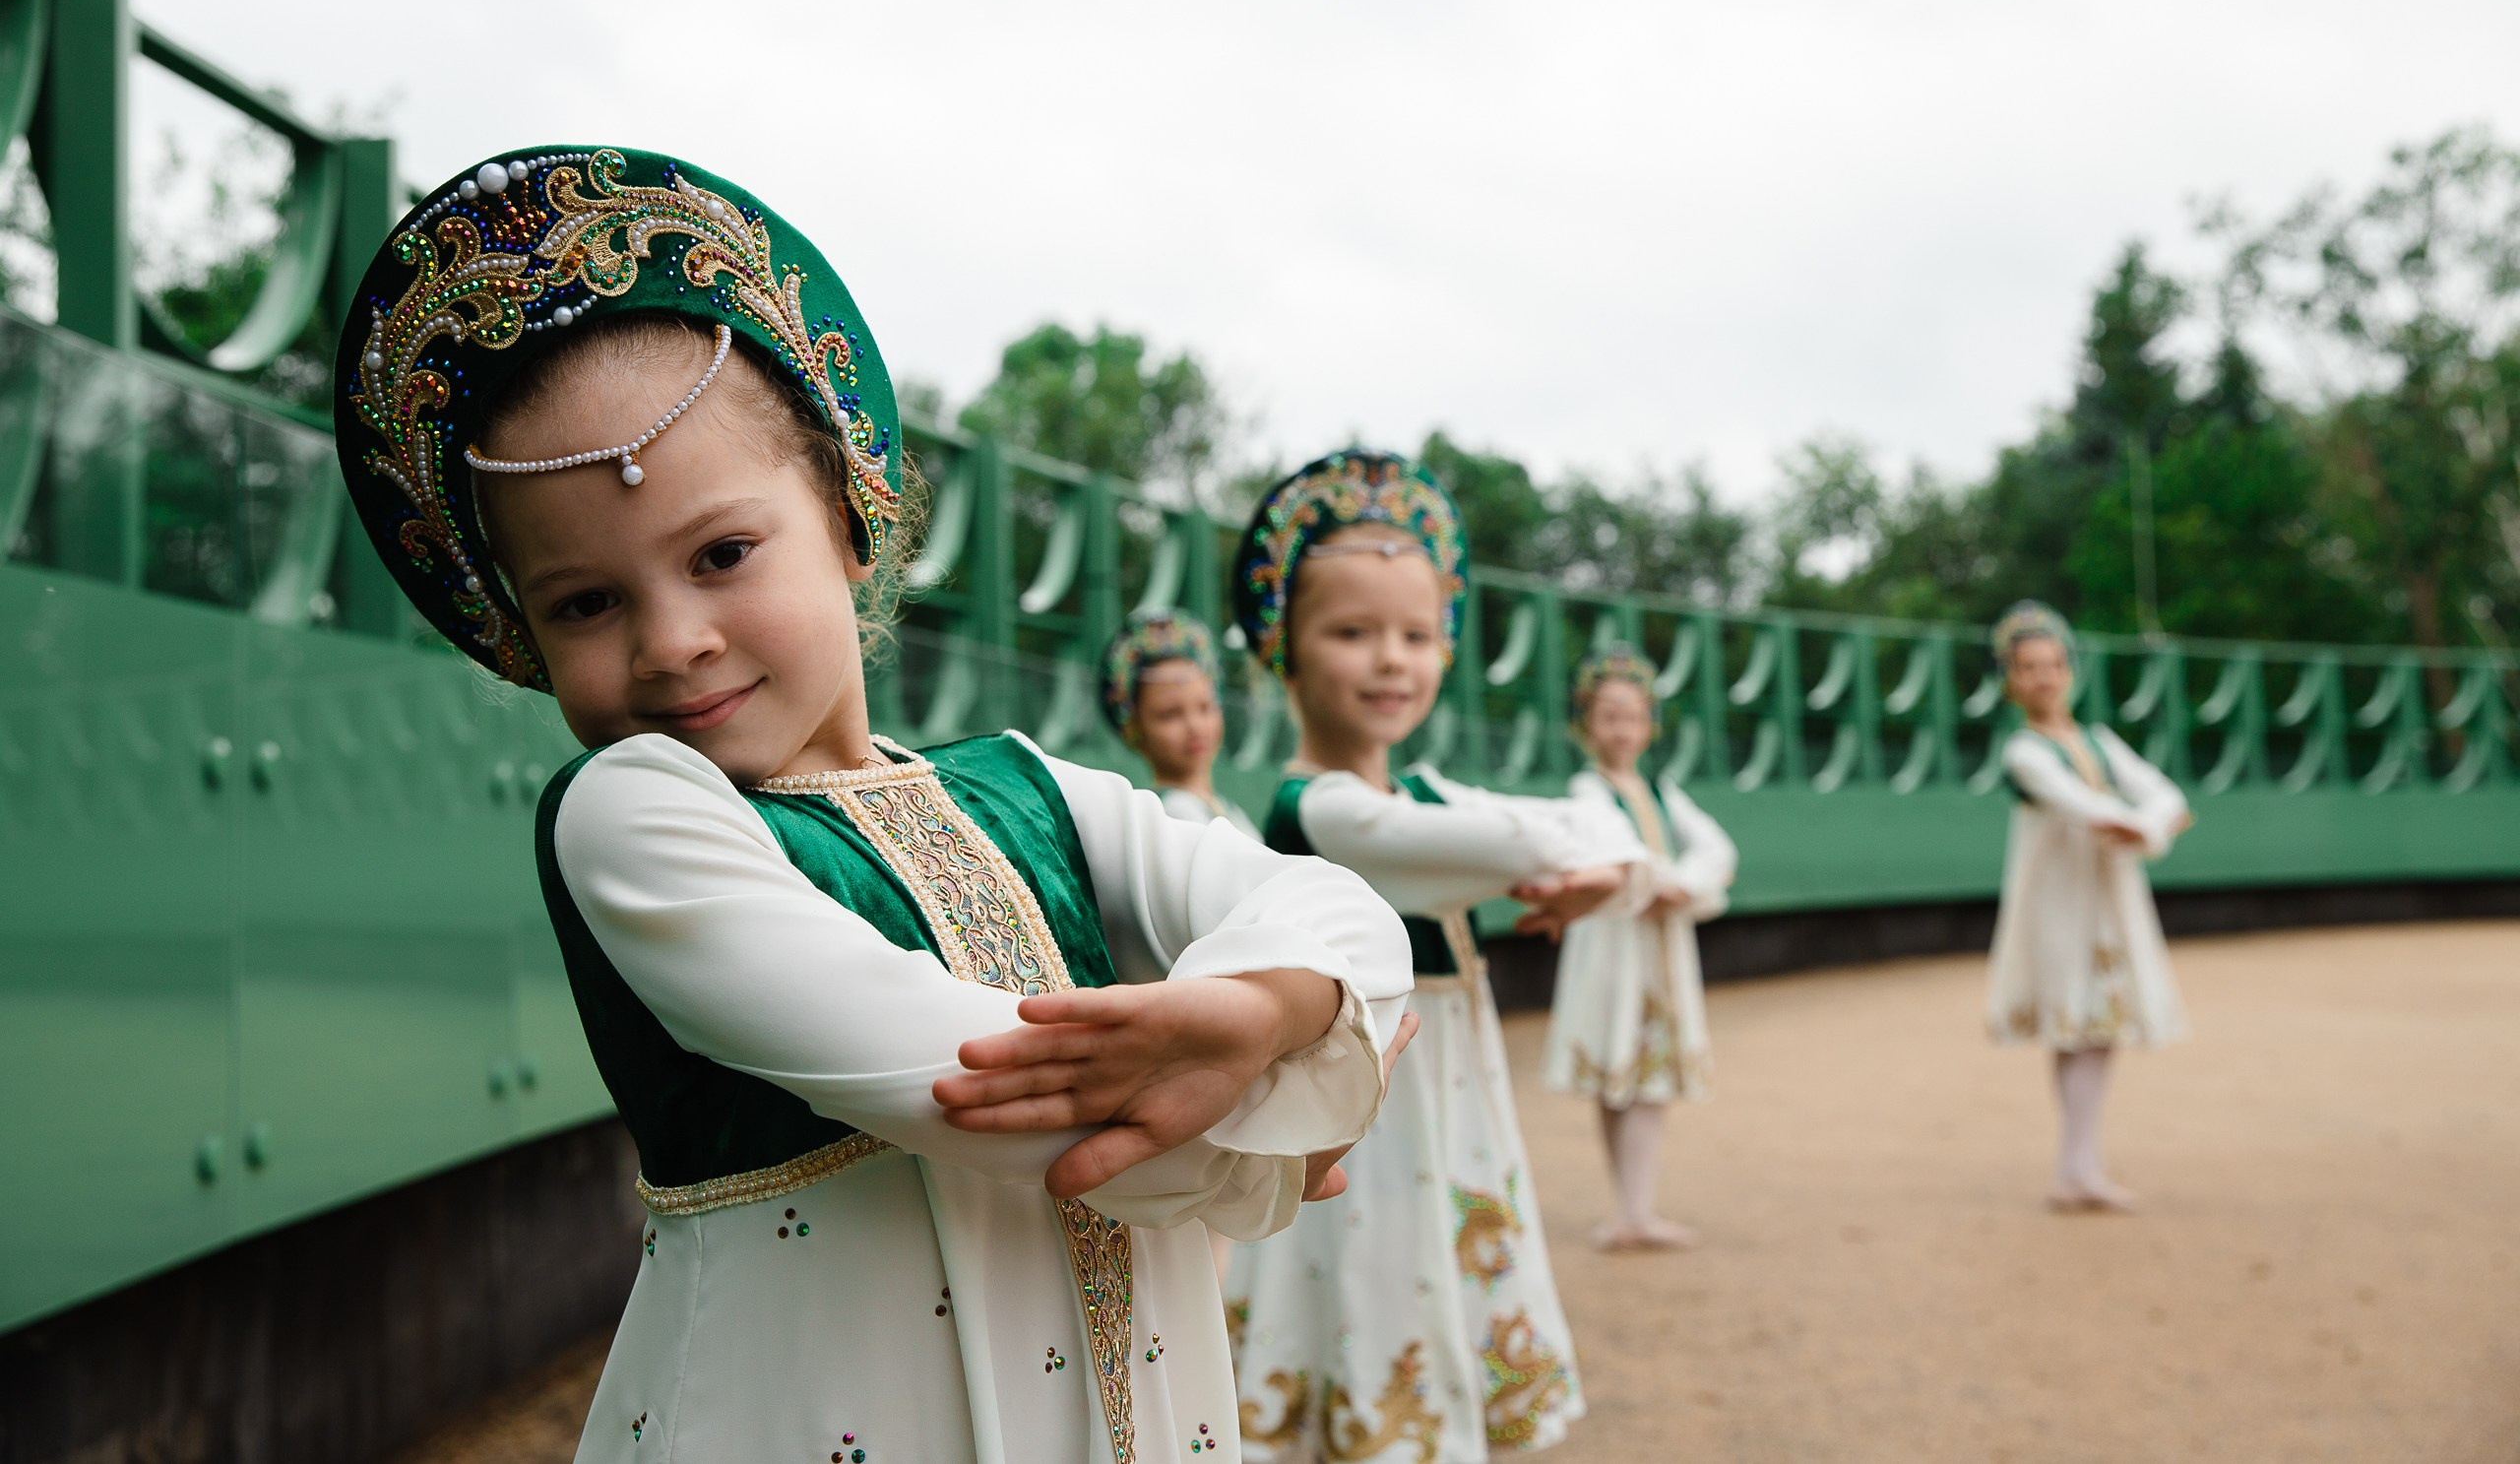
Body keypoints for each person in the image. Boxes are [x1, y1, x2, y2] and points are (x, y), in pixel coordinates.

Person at [332, 146, 1416, 1464]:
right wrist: (1294, 1120)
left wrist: (1272, 1008)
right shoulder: (632, 813)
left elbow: (1335, 907)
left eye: (722, 554)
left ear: (852, 517)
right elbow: (973, 1083)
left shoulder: (1032, 788)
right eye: (584, 603)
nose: (670, 640)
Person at [1221, 449, 1654, 1463]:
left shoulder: (1426, 793)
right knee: (1364, 1291)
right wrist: (1591, 870)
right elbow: (1544, 839)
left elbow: (1602, 831)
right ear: (1283, 648)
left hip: (1447, 1105)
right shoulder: (1319, 805)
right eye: (1352, 632)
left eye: (1416, 635)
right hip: (1361, 1121)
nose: (1390, 661)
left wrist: (1608, 869)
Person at [1984, 601, 2192, 1213]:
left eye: (2052, 665)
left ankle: (2082, 1166)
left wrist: (2149, 826)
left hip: (2104, 895)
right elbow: (2083, 805)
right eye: (2029, 668)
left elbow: (2163, 794)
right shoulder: (2024, 751)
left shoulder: (2097, 740)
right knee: (2073, 1025)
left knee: (2100, 1026)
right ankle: (2073, 1169)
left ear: (2069, 671)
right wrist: (2149, 826)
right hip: (2059, 901)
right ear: (2011, 679)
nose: (2044, 677)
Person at [1542, 644, 1736, 1251]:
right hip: (1612, 944)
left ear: (1650, 723)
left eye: (1632, 716)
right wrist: (1659, 880)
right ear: (1586, 724)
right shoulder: (1588, 788)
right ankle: (1628, 1207)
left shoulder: (1659, 787)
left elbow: (1715, 847)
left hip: (1657, 942)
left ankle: (1637, 1208)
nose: (1622, 729)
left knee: (1651, 1071)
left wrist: (1685, 886)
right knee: (1616, 1067)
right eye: (1609, 716)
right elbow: (1610, 848)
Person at [1101, 608, 1261, 838]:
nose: (1195, 726)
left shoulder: (1227, 808)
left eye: (1205, 707)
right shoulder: (1173, 812)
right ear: (1134, 726)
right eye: (1170, 715)